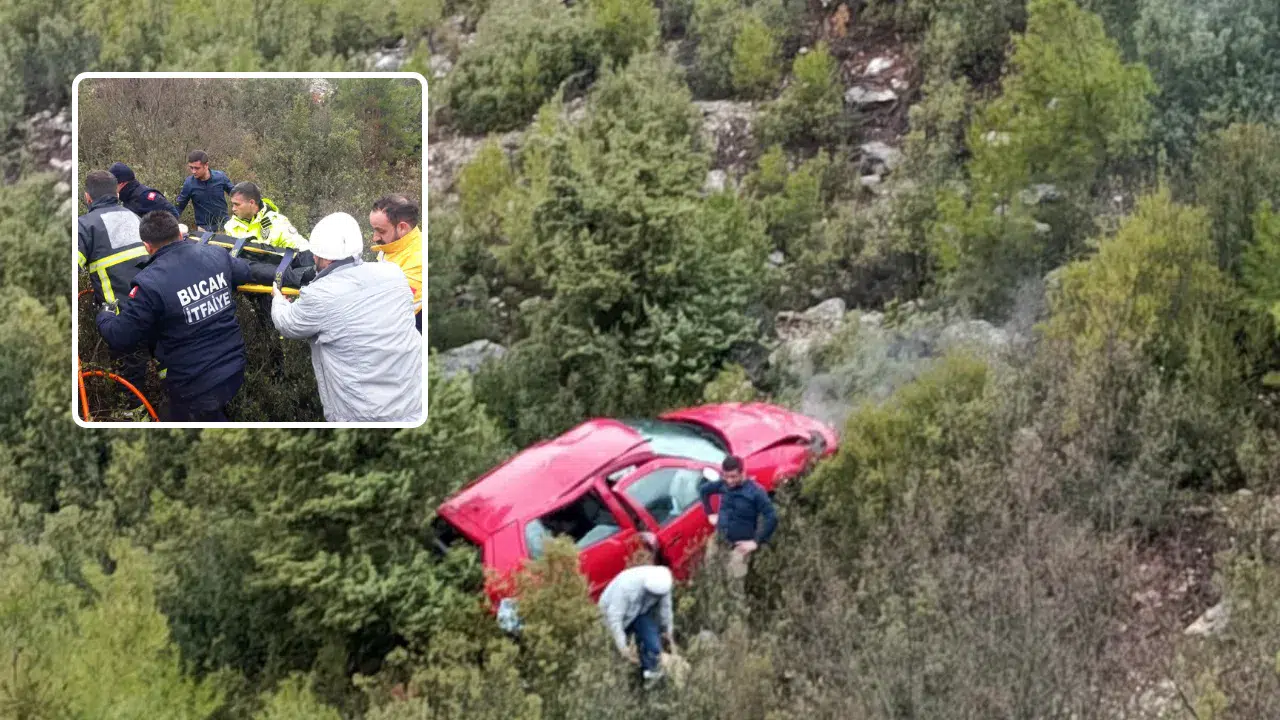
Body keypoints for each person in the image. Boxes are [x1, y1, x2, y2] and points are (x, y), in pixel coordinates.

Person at [96, 210, 252, 422]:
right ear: (180, 234)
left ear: (147, 246)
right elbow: (244, 272)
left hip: (194, 385)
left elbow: (120, 336)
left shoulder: (149, 283)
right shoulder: (215, 254)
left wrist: (104, 315)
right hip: (234, 367)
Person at [269, 212, 422, 422]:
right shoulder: (393, 273)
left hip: (366, 416)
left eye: (315, 255)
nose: (313, 259)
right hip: (415, 399)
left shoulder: (320, 294)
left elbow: (288, 324)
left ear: (325, 257)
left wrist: (277, 300)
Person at [78, 169, 150, 407]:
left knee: (129, 374)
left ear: (88, 197)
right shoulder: (132, 216)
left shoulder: (85, 226)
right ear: (117, 192)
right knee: (162, 363)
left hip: (120, 316)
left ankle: (133, 414)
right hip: (154, 305)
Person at [597, 564, 676, 685]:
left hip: (639, 613)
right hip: (612, 616)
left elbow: (666, 609)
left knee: (652, 644)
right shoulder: (625, 587)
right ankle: (617, 682)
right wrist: (622, 647)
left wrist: (668, 633)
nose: (655, 597)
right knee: (612, 651)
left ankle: (651, 676)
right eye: (652, 595)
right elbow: (615, 619)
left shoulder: (663, 585)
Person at [699, 455, 778, 573]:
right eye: (726, 476)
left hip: (739, 547)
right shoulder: (723, 484)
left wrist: (756, 542)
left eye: (733, 477)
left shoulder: (756, 492)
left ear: (742, 473)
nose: (729, 481)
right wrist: (710, 513)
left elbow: (771, 517)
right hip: (718, 538)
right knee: (711, 572)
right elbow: (704, 490)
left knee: (734, 582)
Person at [369, 194, 424, 332]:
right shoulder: (395, 246)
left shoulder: (418, 263)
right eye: (374, 229)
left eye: (380, 231)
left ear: (402, 228)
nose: (374, 237)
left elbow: (390, 313)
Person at [223, 181, 308, 250]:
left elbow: (301, 248)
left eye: (237, 204)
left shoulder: (278, 223)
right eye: (232, 204)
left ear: (251, 203)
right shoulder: (231, 226)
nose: (233, 209)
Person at [175, 150, 235, 231]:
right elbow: (179, 206)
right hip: (204, 229)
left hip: (225, 225)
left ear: (206, 165)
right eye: (191, 167)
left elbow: (235, 194)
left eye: (197, 168)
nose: (193, 171)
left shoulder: (220, 177)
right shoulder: (189, 183)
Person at [108, 162, 179, 219]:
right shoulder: (126, 197)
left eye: (112, 184)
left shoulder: (145, 196)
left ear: (121, 183)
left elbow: (173, 214)